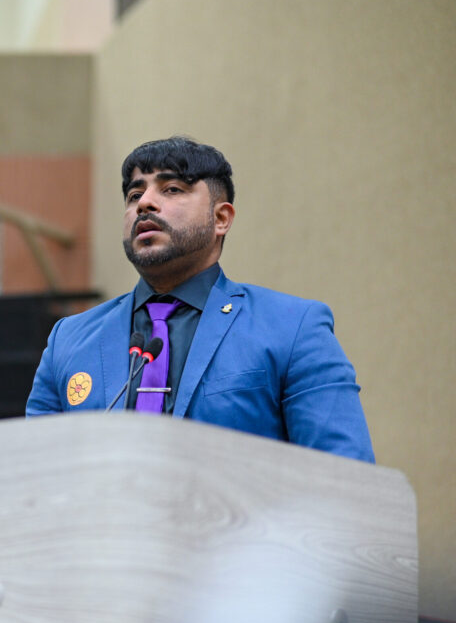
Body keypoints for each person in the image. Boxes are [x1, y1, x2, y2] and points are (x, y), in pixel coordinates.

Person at [26, 137, 374, 462]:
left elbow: (345, 474)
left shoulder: (293, 327)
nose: (144, 203)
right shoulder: (69, 340)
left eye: (172, 189)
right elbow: (32, 476)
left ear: (220, 218)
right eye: (134, 195)